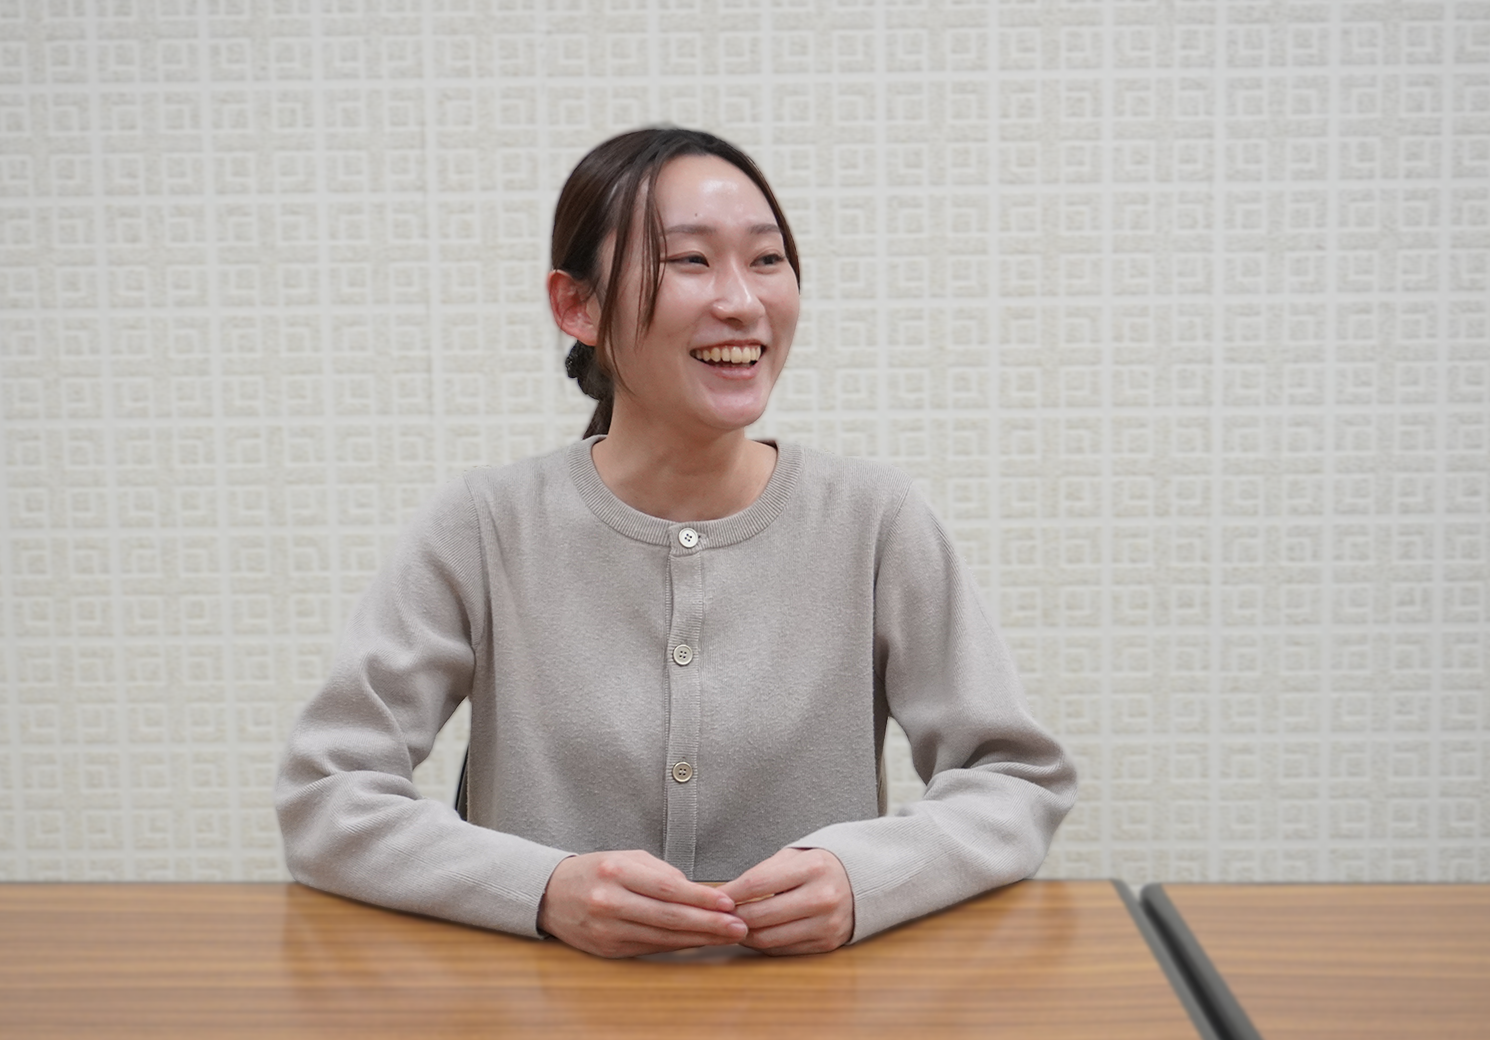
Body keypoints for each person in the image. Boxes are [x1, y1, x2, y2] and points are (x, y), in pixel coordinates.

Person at [275, 127, 1076, 959]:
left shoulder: (875, 519)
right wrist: (542, 890)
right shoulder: (484, 525)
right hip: (547, 1006)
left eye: (766, 260)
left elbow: (1015, 781)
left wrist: (865, 878)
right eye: (691, 260)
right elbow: (326, 796)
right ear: (578, 306)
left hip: (808, 1008)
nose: (743, 301)